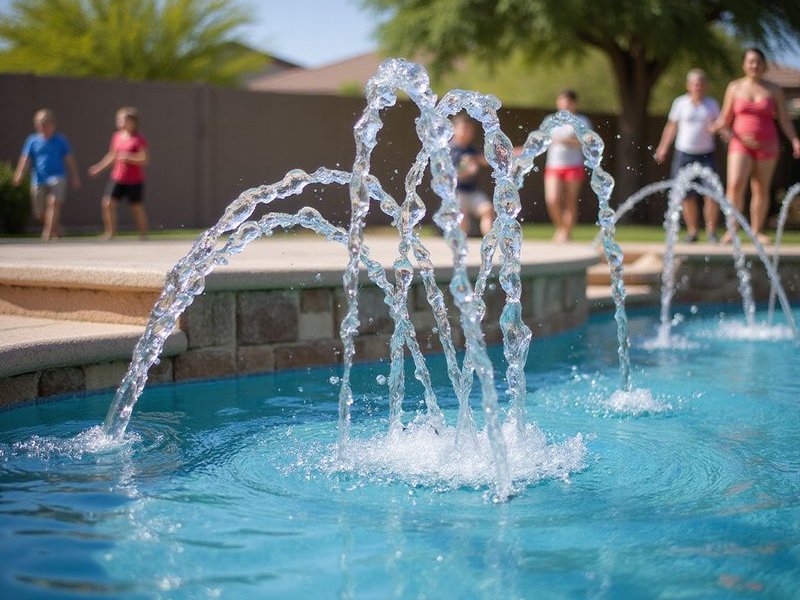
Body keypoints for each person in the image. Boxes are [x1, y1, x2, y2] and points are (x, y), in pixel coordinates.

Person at [713, 48, 800, 245]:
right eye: (751, 61)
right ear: (744, 65)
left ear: (764, 65)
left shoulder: (773, 89)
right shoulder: (734, 87)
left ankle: (756, 231)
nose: (755, 65)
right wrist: (719, 128)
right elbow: (725, 119)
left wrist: (795, 140)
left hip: (768, 145)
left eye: (758, 62)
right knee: (735, 184)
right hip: (740, 144)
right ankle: (732, 230)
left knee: (761, 188)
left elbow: (784, 119)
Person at [654, 69, 721, 243]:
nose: (698, 86)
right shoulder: (680, 103)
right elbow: (671, 127)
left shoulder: (712, 104)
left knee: (712, 193)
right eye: (695, 83)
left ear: (705, 86)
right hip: (684, 153)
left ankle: (711, 232)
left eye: (701, 83)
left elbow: (720, 124)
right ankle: (693, 231)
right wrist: (663, 147)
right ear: (688, 85)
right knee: (686, 194)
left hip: (707, 154)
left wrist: (719, 129)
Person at [13, 109, 81, 240]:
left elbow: (69, 159)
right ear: (36, 124)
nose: (43, 125)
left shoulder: (61, 140)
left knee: (53, 202)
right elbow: (25, 158)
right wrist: (19, 174)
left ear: (53, 124)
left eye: (46, 122)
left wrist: (75, 176)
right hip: (38, 178)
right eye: (40, 123)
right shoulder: (32, 140)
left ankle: (47, 233)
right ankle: (56, 228)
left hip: (58, 176)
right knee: (39, 212)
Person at [88, 106, 150, 240]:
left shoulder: (138, 139)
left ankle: (143, 235)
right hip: (118, 177)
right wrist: (98, 168)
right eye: (119, 119)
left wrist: (128, 157)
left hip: (134, 180)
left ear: (133, 122)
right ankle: (110, 233)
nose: (120, 122)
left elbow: (144, 159)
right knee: (107, 203)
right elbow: (112, 156)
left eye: (123, 119)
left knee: (136, 207)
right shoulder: (116, 136)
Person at [544, 90, 591, 242]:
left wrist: (564, 140)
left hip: (573, 166)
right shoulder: (550, 120)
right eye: (562, 101)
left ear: (574, 104)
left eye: (568, 102)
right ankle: (561, 228)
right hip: (553, 166)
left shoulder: (582, 121)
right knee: (552, 199)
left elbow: (587, 142)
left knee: (570, 200)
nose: (565, 105)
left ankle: (566, 233)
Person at [450, 113, 493, 236]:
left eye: (469, 130)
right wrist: (466, 171)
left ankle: (490, 240)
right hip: (456, 192)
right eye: (464, 129)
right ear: (454, 130)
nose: (467, 133)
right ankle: (460, 243)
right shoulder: (449, 150)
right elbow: (448, 175)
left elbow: (483, 159)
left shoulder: (470, 149)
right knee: (461, 214)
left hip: (472, 191)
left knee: (488, 209)